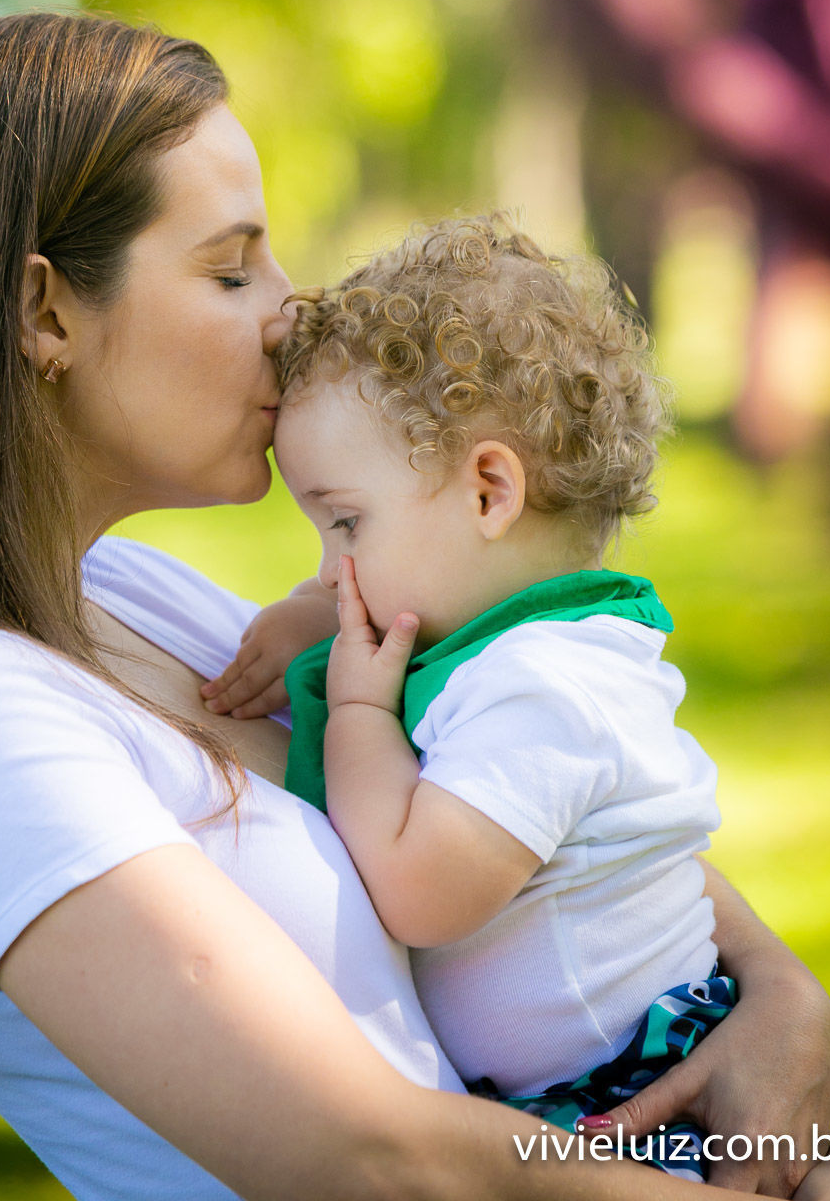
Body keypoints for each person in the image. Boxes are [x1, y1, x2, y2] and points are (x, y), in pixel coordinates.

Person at [0, 13, 830, 1201]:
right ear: (44, 312)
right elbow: (365, 1155)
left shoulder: (125, 597)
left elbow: (546, 808)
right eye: (229, 268)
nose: (289, 307)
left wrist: (781, 996)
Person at [232, 215, 727, 1179]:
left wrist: (364, 718)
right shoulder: (524, 645)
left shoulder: (545, 689)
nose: (330, 570)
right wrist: (314, 613)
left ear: (490, 492)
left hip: (638, 1114)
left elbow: (420, 892)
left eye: (344, 523)